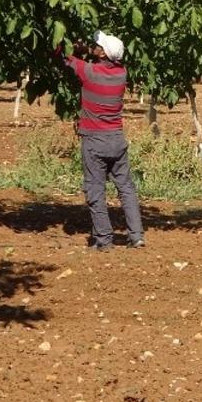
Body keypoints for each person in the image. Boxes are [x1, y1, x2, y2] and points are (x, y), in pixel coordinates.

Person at [58, 31, 145, 251]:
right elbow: (99, 56)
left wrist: (72, 46)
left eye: (98, 46)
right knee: (126, 188)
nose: (94, 47)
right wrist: (89, 50)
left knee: (95, 190)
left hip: (94, 141)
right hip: (117, 139)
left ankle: (104, 240)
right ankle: (136, 236)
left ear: (103, 53)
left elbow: (61, 55)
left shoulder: (89, 72)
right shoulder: (122, 73)